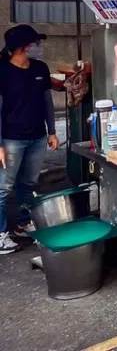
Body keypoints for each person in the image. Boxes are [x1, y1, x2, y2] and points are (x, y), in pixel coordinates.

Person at [0, 25, 59, 254]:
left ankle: (23, 224)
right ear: (24, 47)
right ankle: (2, 234)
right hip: (11, 139)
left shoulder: (40, 68)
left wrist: (52, 131)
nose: (39, 47)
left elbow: (47, 102)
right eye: (35, 43)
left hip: (37, 137)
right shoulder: (3, 71)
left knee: (29, 184)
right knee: (4, 188)